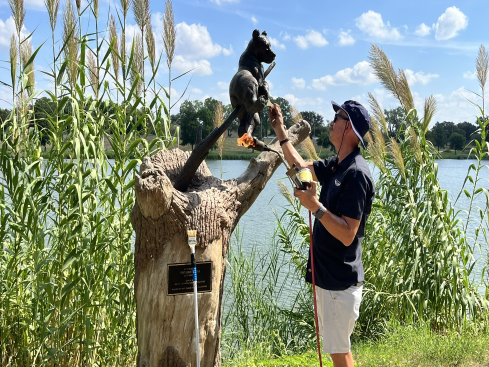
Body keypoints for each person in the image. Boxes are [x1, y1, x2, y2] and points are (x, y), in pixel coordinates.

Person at [269, 100, 375, 367]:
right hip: (329, 279)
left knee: (339, 353)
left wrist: (314, 206)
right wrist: (281, 131)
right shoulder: (337, 165)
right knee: (338, 350)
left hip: (340, 282)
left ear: (348, 127)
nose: (331, 121)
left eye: (337, 117)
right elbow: (301, 166)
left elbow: (349, 233)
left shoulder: (356, 174)